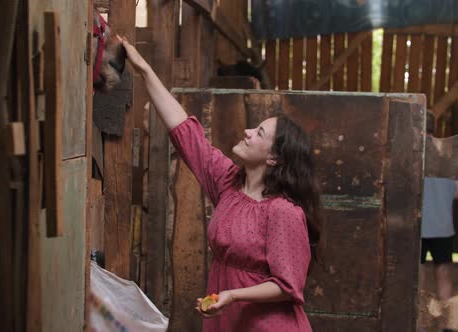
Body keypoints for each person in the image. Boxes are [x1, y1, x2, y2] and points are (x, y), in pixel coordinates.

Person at [118, 36, 322, 331]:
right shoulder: (228, 184)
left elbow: (288, 285)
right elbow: (185, 132)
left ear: (274, 158)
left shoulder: (284, 212)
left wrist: (233, 295)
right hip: (228, 321)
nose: (249, 131)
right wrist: (145, 70)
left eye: (260, 133)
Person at [420, 113, 458, 307]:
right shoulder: (449, 153)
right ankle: (446, 324)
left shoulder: (411, 152)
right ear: (434, 127)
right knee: (443, 272)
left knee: (416, 276)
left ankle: (416, 323)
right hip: (442, 226)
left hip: (417, 226)